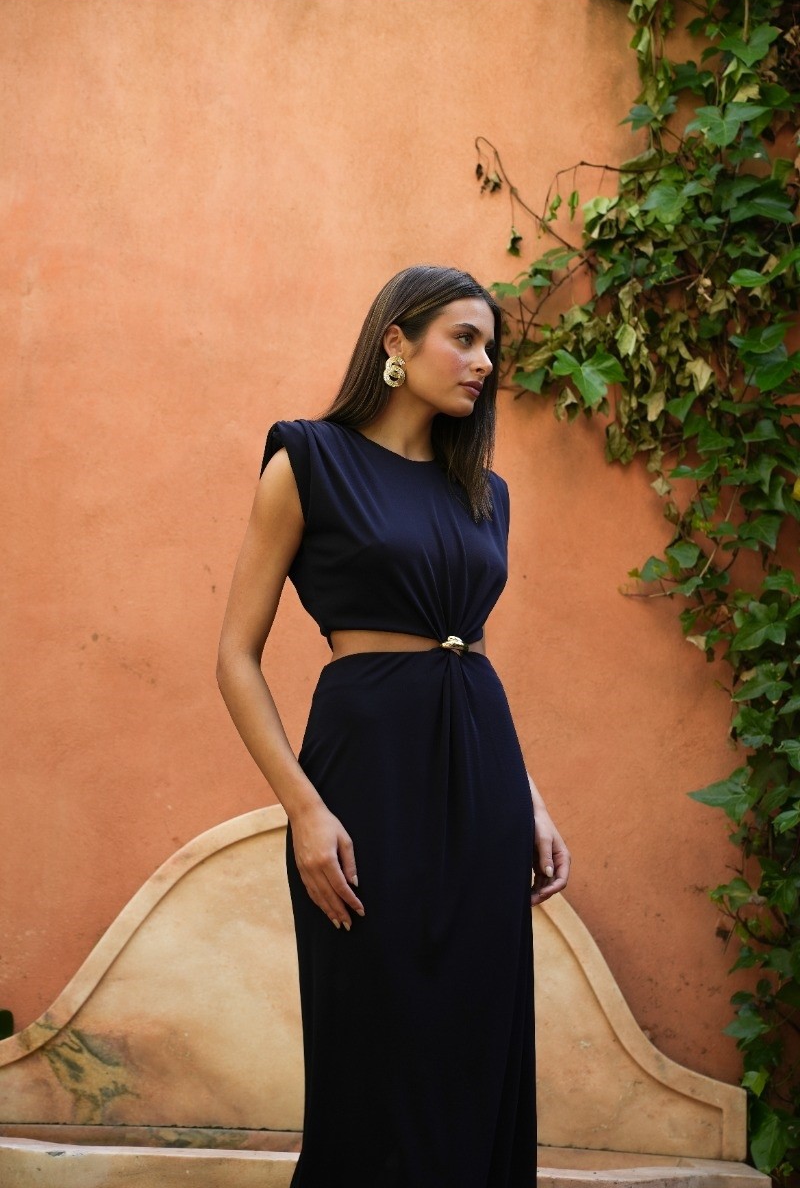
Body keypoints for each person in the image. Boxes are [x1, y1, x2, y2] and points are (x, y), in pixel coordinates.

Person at [216, 264, 570, 1188]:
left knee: (475, 1048)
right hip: (365, 781)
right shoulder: (308, 460)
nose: (484, 361)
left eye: (491, 346)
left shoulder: (484, 494)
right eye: (464, 338)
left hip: (482, 785)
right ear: (396, 343)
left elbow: (471, 651)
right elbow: (235, 658)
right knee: (372, 1052)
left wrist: (529, 800)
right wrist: (304, 810)